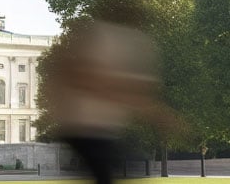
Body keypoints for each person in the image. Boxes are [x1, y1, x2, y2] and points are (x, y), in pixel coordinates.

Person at [49, 19, 180, 184]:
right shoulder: (104, 39)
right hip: (87, 128)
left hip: (96, 128)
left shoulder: (120, 40)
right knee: (111, 173)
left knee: (115, 171)